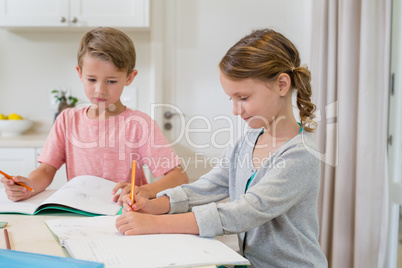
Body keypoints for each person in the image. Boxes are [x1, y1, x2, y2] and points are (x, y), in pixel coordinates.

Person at [115, 28, 328, 267]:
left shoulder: (300, 155)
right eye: (232, 99)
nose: (236, 111)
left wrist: (155, 224)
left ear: (281, 84)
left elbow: (243, 213)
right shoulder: (247, 141)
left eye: (244, 98)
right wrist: (155, 204)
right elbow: (209, 186)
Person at [1, 27, 188, 204]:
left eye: (111, 81)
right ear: (79, 73)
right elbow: (46, 170)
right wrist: (29, 186)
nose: (100, 90)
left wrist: (146, 191)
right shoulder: (67, 120)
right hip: (80, 212)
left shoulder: (139, 125)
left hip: (128, 214)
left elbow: (179, 176)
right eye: (92, 79)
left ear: (130, 78)